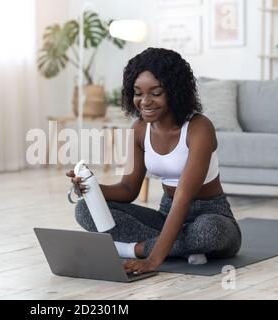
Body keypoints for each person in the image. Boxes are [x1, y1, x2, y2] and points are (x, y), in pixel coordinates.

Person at [66, 47, 242, 275]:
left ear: (175, 91)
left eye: (156, 93)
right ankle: (181, 249)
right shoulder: (139, 129)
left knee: (210, 231)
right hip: (166, 215)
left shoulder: (199, 128)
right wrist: (91, 189)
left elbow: (183, 197)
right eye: (138, 92)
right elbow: (128, 189)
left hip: (211, 215)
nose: (145, 101)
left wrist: (152, 260)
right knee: (84, 209)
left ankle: (133, 249)